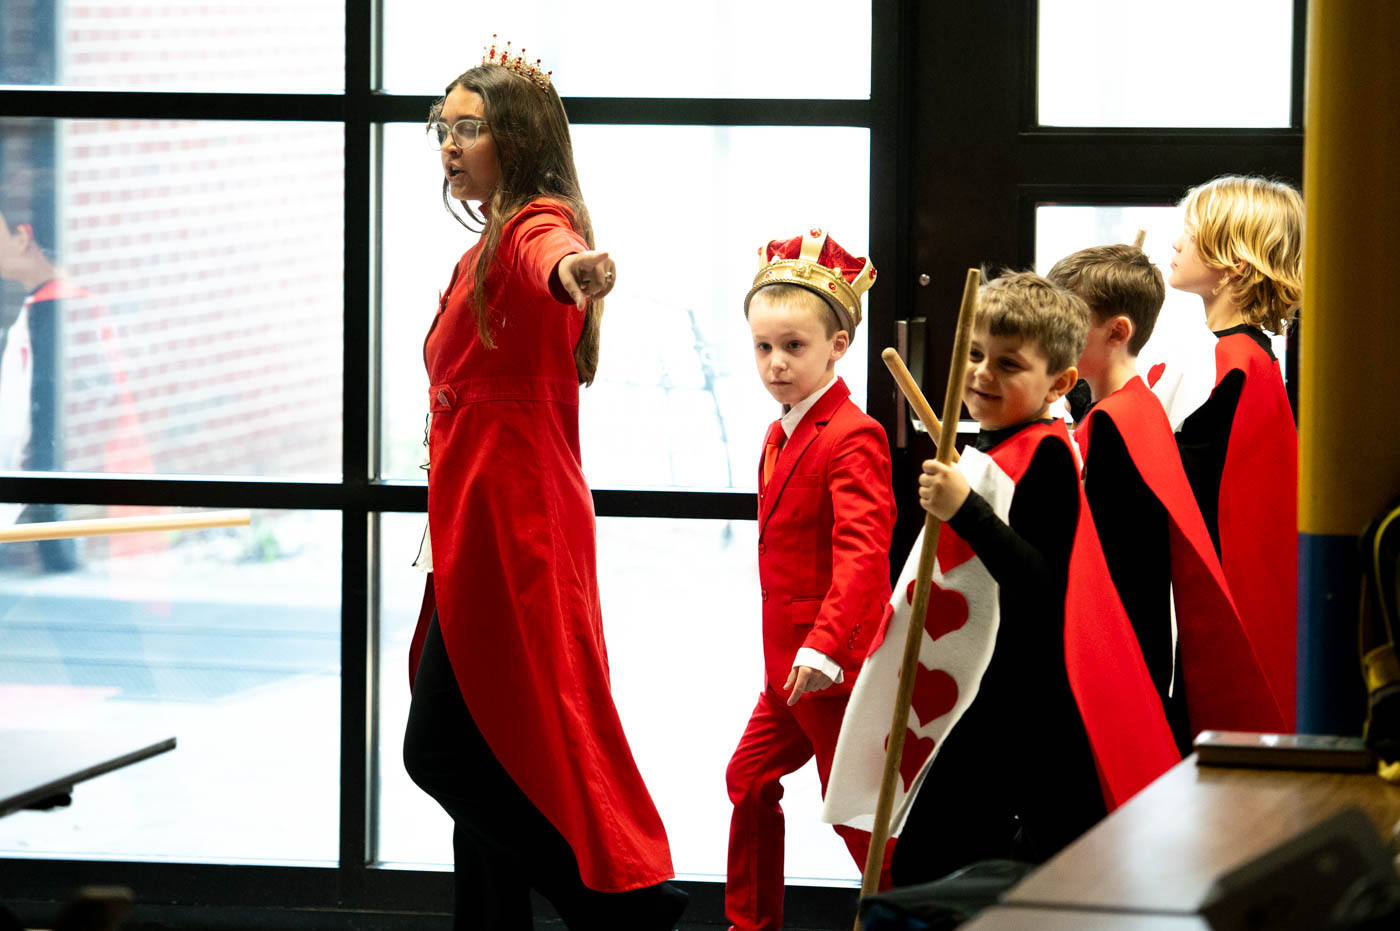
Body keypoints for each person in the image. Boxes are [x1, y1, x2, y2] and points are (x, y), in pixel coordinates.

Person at [399, 44, 686, 931]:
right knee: (486, 743)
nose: (450, 144)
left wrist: (575, 273)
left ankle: (616, 909)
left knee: (442, 749)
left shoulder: (533, 225)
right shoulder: (484, 243)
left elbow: (550, 253)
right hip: (478, 518)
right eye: (442, 128)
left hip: (515, 519)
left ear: (517, 141)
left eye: (469, 128)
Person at [889, 272, 1177, 885]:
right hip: (993, 689)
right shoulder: (999, 444)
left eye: (1008, 364)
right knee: (933, 858)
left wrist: (966, 509)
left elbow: (1044, 586)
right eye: (974, 354)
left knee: (933, 862)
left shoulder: (1045, 455)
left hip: (1022, 704)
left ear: (1060, 383)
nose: (981, 374)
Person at [725, 228, 896, 931]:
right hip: (786, 668)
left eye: (793, 346)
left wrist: (825, 646)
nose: (775, 363)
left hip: (831, 667)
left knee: (855, 815)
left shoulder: (853, 434)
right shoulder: (780, 433)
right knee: (748, 779)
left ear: (837, 345)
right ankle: (751, 924)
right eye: (763, 347)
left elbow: (864, 553)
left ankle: (914, 918)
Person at [1048, 244, 1285, 753]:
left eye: (1067, 323)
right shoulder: (1129, 407)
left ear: (1117, 332)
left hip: (1123, 642)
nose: (1053, 336)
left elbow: (1109, 561)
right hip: (1141, 636)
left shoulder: (1128, 415)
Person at [1166, 175, 1303, 729]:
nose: (1175, 243)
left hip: (1212, 609)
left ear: (1235, 265)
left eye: (1191, 231)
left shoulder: (1230, 362)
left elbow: (1178, 487)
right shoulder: (1249, 357)